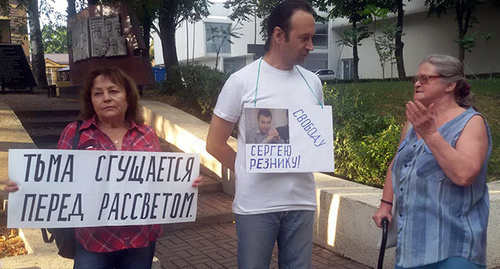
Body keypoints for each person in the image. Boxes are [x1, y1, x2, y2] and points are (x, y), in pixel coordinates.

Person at [4, 67, 202, 268]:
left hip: (139, 240)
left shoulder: (146, 134)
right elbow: (55, 180)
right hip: (93, 242)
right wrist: (24, 185)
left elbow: (157, 181)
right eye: (98, 93)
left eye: (113, 91)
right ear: (91, 100)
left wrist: (183, 183)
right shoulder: (75, 133)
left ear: (128, 97)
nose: (106, 98)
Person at [206, 0, 322, 268]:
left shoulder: (313, 82)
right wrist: (249, 166)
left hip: (302, 201)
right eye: (304, 38)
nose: (311, 46)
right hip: (257, 204)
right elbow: (214, 143)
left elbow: (312, 137)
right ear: (278, 35)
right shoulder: (241, 81)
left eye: (312, 38)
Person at [372, 54, 491, 269]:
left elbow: (465, 175)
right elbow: (398, 161)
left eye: (425, 79)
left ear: (450, 85)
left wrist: (430, 134)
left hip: (453, 249)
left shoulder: (471, 122)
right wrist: (385, 205)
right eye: (416, 78)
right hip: (410, 246)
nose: (417, 83)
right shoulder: (413, 122)